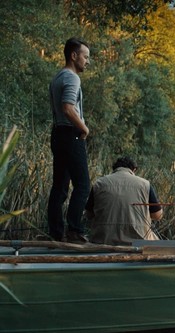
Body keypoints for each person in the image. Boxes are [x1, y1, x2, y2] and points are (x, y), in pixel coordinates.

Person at [47, 37, 91, 243]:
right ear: (74, 56)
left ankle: (56, 232)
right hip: (71, 135)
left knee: (60, 186)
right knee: (83, 184)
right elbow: (67, 107)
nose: (87, 61)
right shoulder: (72, 78)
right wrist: (84, 128)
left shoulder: (57, 77)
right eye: (85, 56)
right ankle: (74, 230)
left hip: (57, 134)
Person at [85, 157, 164, 246]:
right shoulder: (145, 184)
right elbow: (158, 216)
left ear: (114, 169)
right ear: (134, 170)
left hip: (103, 240)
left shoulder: (99, 183)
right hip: (138, 242)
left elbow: (89, 215)